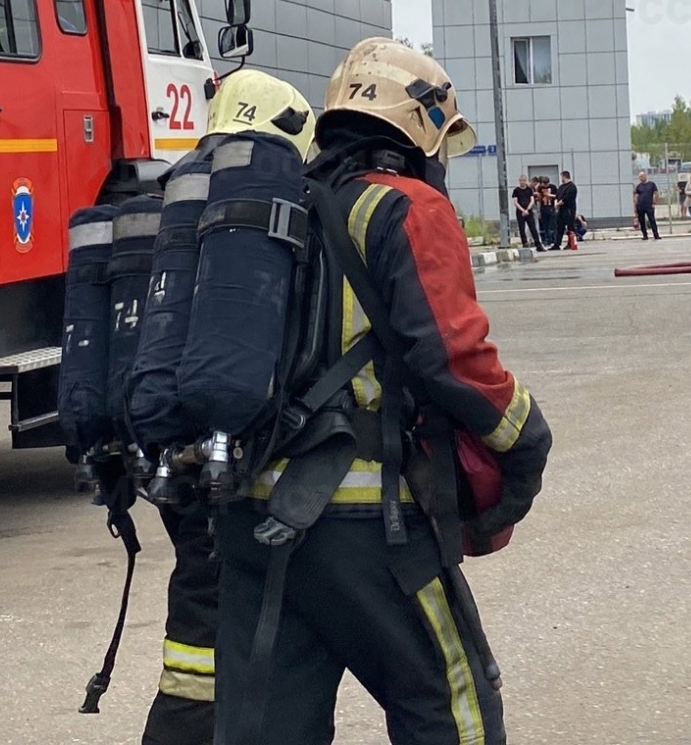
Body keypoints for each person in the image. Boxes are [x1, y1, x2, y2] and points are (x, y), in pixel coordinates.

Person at [213, 37, 552, 745]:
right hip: (366, 527)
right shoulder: (407, 207)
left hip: (252, 518)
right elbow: (453, 359)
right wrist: (525, 436)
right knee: (454, 709)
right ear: (420, 124)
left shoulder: (280, 207)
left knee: (269, 731)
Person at [142, 69, 318, 745]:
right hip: (236, 450)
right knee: (226, 623)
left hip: (165, 441)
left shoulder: (175, 195)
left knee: (198, 605)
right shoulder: (266, 201)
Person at [512, 173, 542, 251]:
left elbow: (532, 200)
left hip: (529, 211)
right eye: (521, 180)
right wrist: (522, 210)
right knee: (522, 228)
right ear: (519, 181)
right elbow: (515, 202)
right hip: (520, 212)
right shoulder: (516, 190)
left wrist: (527, 210)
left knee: (533, 228)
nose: (522, 182)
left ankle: (538, 244)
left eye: (524, 180)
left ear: (526, 181)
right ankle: (524, 243)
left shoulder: (529, 189)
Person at [556, 171, 580, 251]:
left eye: (562, 177)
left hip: (569, 209)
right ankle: (557, 244)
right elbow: (557, 196)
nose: (561, 179)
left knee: (570, 227)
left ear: (564, 176)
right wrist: (556, 203)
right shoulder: (561, 187)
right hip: (561, 210)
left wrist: (558, 204)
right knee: (560, 227)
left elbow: (566, 198)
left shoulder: (572, 187)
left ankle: (571, 243)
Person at [633, 171, 661, 239]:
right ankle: (645, 235)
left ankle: (656, 235)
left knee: (652, 220)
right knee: (642, 221)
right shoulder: (639, 186)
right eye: (640, 177)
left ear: (645, 176)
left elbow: (656, 193)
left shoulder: (651, 184)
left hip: (649, 205)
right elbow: (636, 196)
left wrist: (654, 202)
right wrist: (635, 206)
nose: (641, 178)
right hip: (640, 206)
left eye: (642, 176)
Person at [537, 178, 559, 251]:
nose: (544, 185)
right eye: (544, 183)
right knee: (545, 224)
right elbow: (539, 199)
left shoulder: (553, 187)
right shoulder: (540, 188)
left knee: (553, 224)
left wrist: (549, 195)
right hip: (543, 207)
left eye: (546, 184)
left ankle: (555, 239)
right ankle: (547, 239)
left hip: (551, 207)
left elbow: (557, 196)